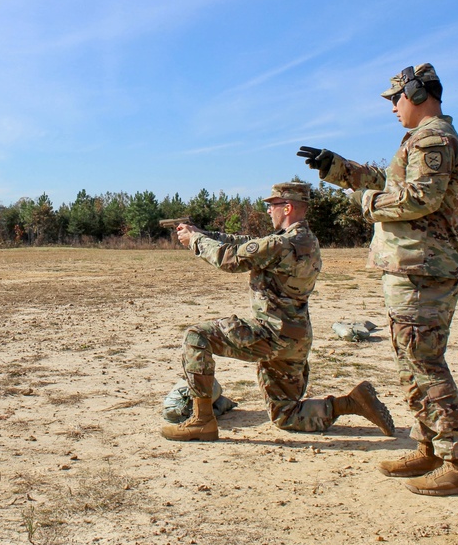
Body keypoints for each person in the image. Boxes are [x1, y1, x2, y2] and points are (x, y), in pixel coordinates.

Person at [297, 63, 458, 496]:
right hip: (412, 267)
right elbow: (391, 181)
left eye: (396, 98)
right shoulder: (419, 139)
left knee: (424, 363)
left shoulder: (434, 138)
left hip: (423, 268)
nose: (393, 107)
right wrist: (338, 169)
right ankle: (430, 449)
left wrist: (366, 201)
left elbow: (419, 197)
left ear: (418, 94)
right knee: (411, 362)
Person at [161, 181, 395, 442]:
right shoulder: (306, 240)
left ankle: (202, 421)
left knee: (197, 336)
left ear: (287, 207)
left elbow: (230, 259)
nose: (268, 211)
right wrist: (202, 233)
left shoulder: (281, 245)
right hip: (295, 339)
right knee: (287, 416)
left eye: (271, 206)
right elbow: (248, 243)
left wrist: (194, 240)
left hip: (269, 335)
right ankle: (350, 403)